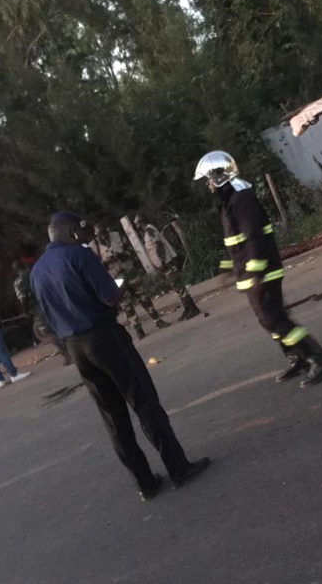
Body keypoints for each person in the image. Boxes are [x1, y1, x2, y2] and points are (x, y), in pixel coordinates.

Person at [30, 212, 210, 501]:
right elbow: (109, 297)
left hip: (75, 347)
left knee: (113, 417)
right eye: (80, 231)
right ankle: (178, 468)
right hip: (103, 336)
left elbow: (48, 318)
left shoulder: (37, 271)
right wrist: (121, 285)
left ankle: (145, 484)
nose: (83, 236)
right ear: (72, 230)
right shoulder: (79, 255)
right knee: (143, 401)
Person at [193, 151, 322, 388]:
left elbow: (255, 236)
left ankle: (319, 359)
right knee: (268, 320)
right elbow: (238, 240)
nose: (207, 183)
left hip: (262, 271)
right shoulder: (228, 199)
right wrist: (231, 266)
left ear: (218, 175)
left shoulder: (240, 197)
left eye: (208, 178)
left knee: (274, 319)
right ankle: (297, 357)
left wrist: (256, 271)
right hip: (251, 271)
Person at [90, 223, 170, 340]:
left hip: (130, 271)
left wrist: (122, 255)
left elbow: (131, 250)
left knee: (144, 297)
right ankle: (138, 330)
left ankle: (158, 320)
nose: (104, 237)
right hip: (115, 277)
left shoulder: (117, 236)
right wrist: (106, 262)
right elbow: (94, 266)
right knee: (126, 304)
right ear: (96, 235)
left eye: (105, 233)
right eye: (101, 235)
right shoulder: (93, 247)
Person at [133, 213, 202, 322]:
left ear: (140, 223)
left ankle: (193, 308)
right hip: (163, 264)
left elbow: (158, 244)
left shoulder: (150, 230)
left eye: (137, 224)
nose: (137, 226)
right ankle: (187, 308)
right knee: (176, 287)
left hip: (166, 263)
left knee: (178, 285)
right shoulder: (147, 231)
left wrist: (162, 261)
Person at [13, 260, 72, 366]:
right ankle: (72, 349)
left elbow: (23, 298)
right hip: (50, 301)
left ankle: (67, 354)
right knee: (60, 325)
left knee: (49, 332)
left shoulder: (19, 282)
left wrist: (25, 311)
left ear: (16, 270)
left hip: (37, 307)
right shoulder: (35, 272)